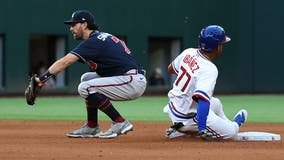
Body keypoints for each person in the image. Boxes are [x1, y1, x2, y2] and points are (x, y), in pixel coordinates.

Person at [35, 10, 147, 139]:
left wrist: (42, 78)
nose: (71, 29)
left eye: (74, 25)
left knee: (85, 87)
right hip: (127, 77)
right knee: (86, 78)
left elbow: (66, 61)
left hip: (131, 81)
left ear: (84, 24)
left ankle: (119, 122)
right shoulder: (99, 37)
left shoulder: (94, 41)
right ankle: (92, 126)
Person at [163, 25, 248, 141]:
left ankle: (180, 131)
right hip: (188, 118)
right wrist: (202, 129)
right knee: (231, 134)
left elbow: (170, 69)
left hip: (173, 109)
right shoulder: (209, 69)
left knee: (216, 103)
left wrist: (190, 71)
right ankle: (234, 125)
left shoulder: (188, 52)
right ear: (217, 47)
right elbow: (202, 100)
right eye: (221, 44)